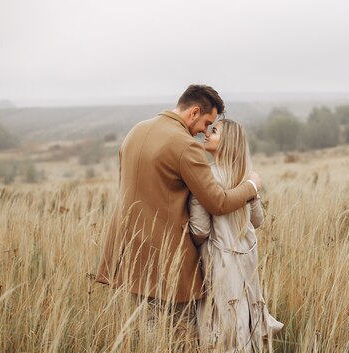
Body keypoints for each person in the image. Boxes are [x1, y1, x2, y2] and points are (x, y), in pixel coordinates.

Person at [96, 85, 261, 329]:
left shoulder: (136, 131)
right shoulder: (185, 145)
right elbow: (218, 202)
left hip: (129, 251)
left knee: (147, 326)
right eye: (207, 123)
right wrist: (251, 186)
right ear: (194, 112)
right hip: (167, 257)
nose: (204, 131)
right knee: (181, 335)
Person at [189, 119, 283, 353]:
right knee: (247, 311)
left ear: (228, 142)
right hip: (247, 256)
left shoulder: (206, 177)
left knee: (221, 319)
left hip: (220, 258)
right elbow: (258, 220)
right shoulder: (246, 178)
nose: (207, 134)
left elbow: (199, 229)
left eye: (214, 131)